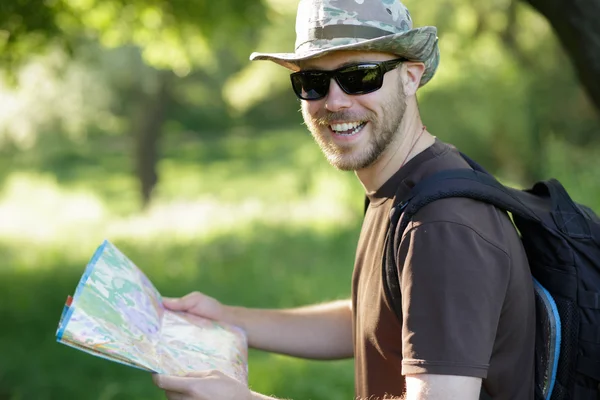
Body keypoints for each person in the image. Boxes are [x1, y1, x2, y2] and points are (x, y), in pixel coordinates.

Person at [152, 0, 536, 399]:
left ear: (410, 77)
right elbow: (377, 320)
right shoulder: (404, 189)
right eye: (313, 82)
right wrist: (227, 320)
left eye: (361, 76)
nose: (334, 101)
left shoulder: (443, 225)